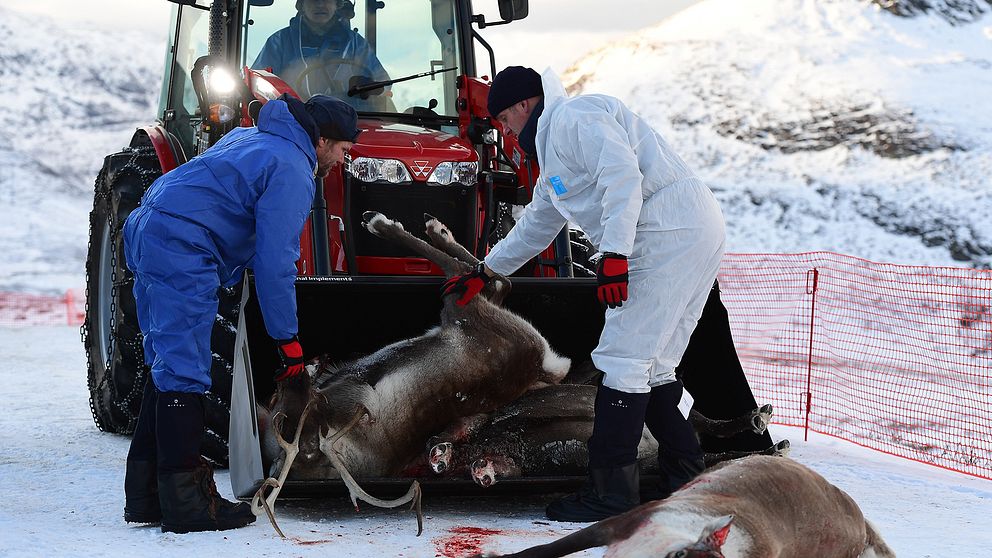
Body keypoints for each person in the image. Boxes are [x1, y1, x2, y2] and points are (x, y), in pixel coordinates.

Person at [442, 66, 726, 522]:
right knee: (653, 365)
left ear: (521, 105)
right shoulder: (555, 153)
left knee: (623, 360)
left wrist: (614, 254)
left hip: (663, 228)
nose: (503, 129)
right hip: (690, 226)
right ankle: (685, 479)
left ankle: (611, 493)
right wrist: (486, 270)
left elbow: (622, 177)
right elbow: (537, 223)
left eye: (502, 119)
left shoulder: (575, 116)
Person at [121, 94, 360, 533]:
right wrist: (288, 343)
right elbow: (275, 263)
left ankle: (146, 494)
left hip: (150, 226)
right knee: (184, 371)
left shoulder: (251, 138)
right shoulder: (291, 167)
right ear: (322, 140)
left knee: (165, 364)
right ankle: (186, 504)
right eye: (343, 150)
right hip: (183, 244)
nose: (342, 161)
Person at [252, 0, 389, 110]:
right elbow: (256, 82)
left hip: (347, 125)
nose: (320, 5)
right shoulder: (280, 42)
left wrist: (369, 87)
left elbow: (383, 84)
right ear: (302, 5)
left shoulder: (355, 44)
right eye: (313, 0)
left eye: (327, 0)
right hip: (292, 122)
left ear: (337, 4)